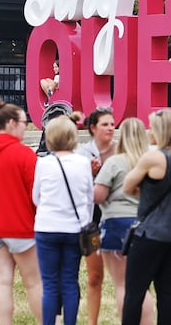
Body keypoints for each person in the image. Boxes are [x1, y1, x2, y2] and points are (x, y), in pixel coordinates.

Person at [0, 97, 42, 325]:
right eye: (24, 122)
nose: (26, 127)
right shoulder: (24, 155)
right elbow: (36, 193)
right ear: (11, 123)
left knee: (2, 282)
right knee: (33, 282)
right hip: (20, 225)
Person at [122, 109, 171, 325]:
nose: (149, 131)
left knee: (135, 292)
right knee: (167, 293)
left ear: (162, 131)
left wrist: (145, 192)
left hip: (150, 233)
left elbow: (127, 186)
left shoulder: (153, 158)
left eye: (152, 127)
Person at [32, 115, 94, 325]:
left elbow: (36, 197)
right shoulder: (83, 163)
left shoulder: (43, 164)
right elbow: (89, 197)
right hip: (74, 228)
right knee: (69, 281)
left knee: (50, 284)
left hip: (47, 227)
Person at [94, 118, 155, 324]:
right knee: (143, 285)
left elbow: (99, 195)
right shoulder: (153, 162)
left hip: (116, 224)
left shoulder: (115, 162)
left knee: (123, 284)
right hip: (147, 225)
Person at [75, 107, 116, 325]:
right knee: (94, 276)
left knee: (124, 278)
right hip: (93, 223)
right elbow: (76, 190)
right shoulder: (82, 154)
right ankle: (92, 321)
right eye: (105, 124)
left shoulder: (120, 151)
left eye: (112, 124)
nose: (110, 128)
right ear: (92, 128)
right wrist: (89, 174)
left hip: (117, 219)